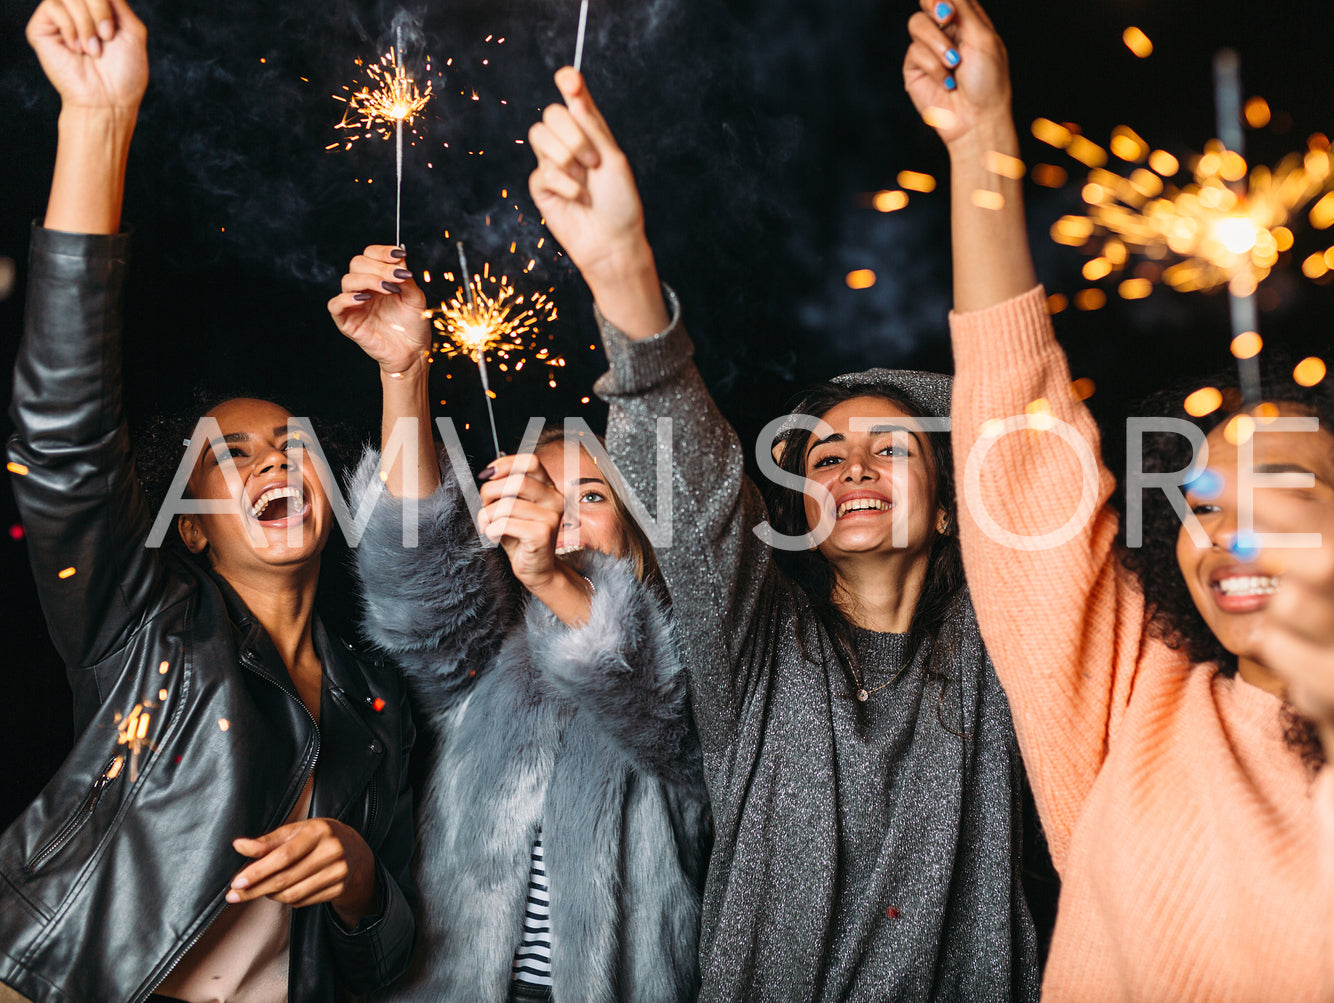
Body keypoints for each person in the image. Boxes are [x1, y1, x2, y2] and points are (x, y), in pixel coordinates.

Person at [930, 0, 1334, 997]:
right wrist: (978, 137)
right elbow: (1018, 452)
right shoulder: (1133, 706)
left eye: (1283, 488)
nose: (1226, 528)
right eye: (1201, 498)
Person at [520, 49, 1040, 1003]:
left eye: (891, 448)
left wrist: (979, 140)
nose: (851, 465)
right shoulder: (759, 647)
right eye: (824, 457)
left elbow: (1023, 427)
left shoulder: (1001, 647)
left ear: (953, 502)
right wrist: (621, 264)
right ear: (800, 506)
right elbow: (702, 484)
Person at [0, 2, 417, 1002]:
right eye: (231, 455)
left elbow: (386, 955)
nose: (273, 462)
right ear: (190, 518)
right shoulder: (140, 629)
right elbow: (60, 445)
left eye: (291, 445)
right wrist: (96, 123)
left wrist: (362, 880)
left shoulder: (379, 701)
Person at [329, 244, 709, 1002]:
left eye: (593, 497)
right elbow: (412, 574)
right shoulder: (481, 663)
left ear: (639, 533)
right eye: (539, 488)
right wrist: (403, 374)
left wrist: (548, 574)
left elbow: (660, 718)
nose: (560, 512)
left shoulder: (702, 669)